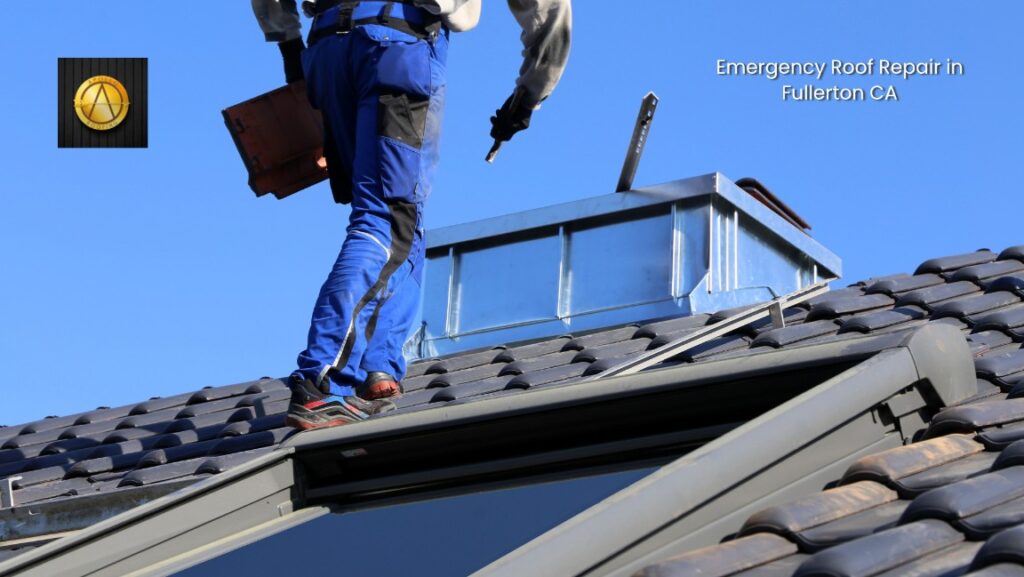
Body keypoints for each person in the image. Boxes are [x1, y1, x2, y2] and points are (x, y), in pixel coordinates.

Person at [251, 0, 572, 430]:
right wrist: (530, 93)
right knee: (384, 218)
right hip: (397, 44)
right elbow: (548, 12)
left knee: (404, 215)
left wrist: (290, 48)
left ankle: (378, 364)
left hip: (327, 49)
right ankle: (321, 381)